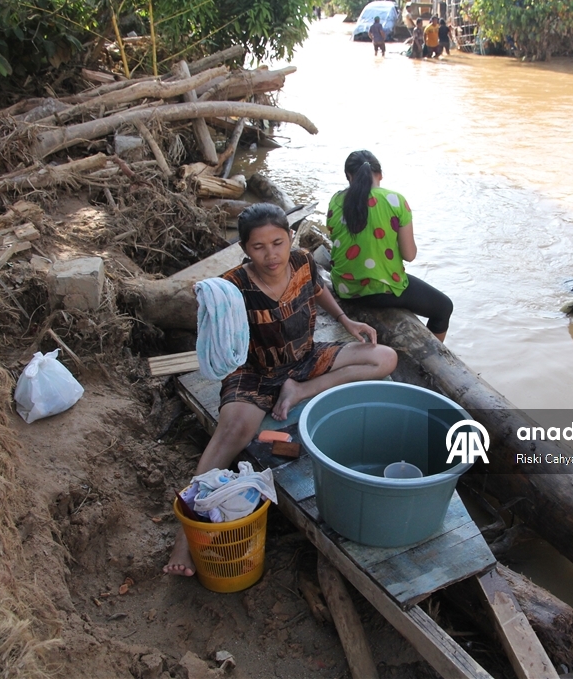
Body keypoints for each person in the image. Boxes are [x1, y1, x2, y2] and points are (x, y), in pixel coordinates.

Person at [164, 203, 397, 576]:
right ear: (244, 249)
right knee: (232, 434)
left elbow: (319, 289)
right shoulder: (233, 286)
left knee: (383, 357)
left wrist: (344, 319)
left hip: (305, 359)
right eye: (259, 247)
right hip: (254, 371)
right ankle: (185, 534)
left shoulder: (303, 261)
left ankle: (300, 391)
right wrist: (206, 300)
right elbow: (214, 326)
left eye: (277, 242)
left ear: (290, 238)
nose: (271, 254)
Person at [326, 150, 454, 342]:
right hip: (381, 291)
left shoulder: (336, 200)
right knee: (444, 307)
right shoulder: (395, 200)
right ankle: (433, 355)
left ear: (349, 177)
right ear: (380, 175)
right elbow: (409, 255)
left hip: (345, 288)